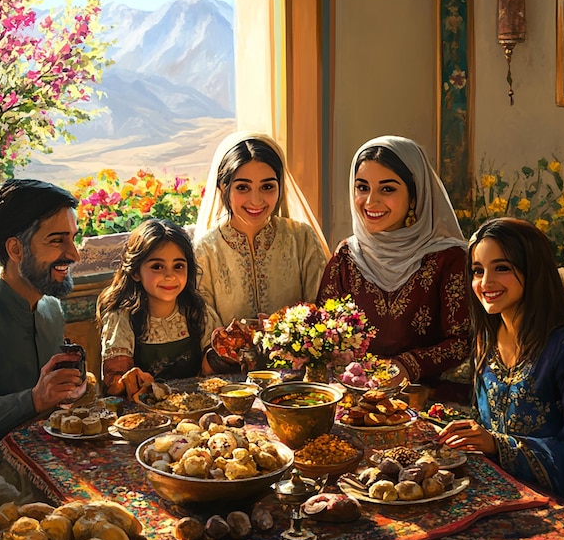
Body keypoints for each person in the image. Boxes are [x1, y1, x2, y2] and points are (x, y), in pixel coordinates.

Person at [317, 135, 470, 394]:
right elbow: (323, 331)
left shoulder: (449, 258)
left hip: (427, 398)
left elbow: (462, 341)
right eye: (362, 187)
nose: (370, 202)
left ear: (414, 196)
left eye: (387, 189)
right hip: (355, 396)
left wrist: (406, 367)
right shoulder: (346, 256)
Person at [438, 218, 564, 500]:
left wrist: (497, 445)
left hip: (552, 507)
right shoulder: (487, 338)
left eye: (501, 268)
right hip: (488, 491)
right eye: (477, 271)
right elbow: (484, 423)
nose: (485, 283)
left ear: (533, 271)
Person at [0, 179, 87, 464]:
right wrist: (33, 400)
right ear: (15, 250)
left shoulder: (51, 309)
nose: (73, 254)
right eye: (57, 240)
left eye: (73, 238)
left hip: (51, 456)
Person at [193, 131, 330, 327]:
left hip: (299, 356)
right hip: (227, 358)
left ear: (280, 186)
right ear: (223, 187)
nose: (256, 201)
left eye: (267, 187)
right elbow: (205, 327)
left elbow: (322, 312)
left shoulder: (301, 239)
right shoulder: (205, 251)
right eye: (242, 187)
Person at [98, 219, 222, 398]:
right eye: (157, 266)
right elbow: (115, 384)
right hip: (141, 416)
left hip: (195, 408)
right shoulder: (122, 318)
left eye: (178, 266)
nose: (170, 275)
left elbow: (215, 373)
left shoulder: (197, 311)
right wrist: (128, 380)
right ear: (135, 272)